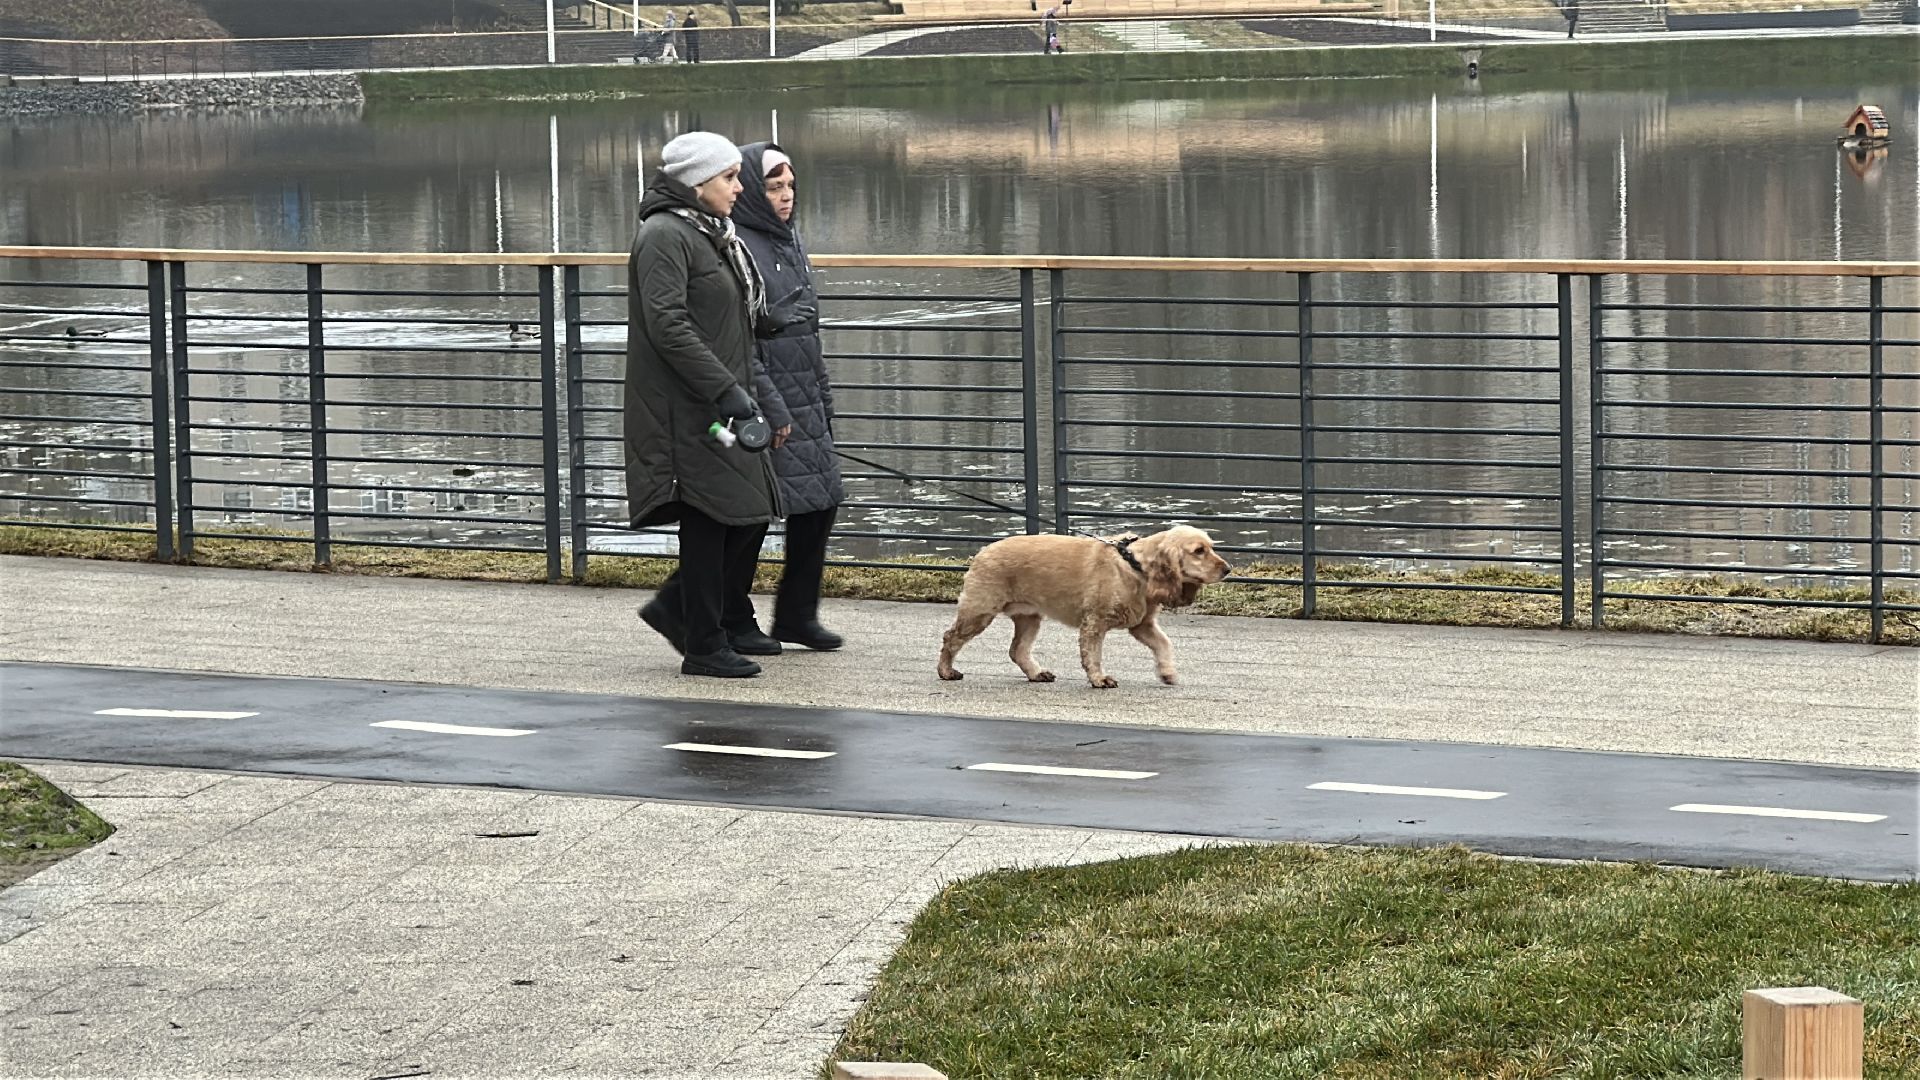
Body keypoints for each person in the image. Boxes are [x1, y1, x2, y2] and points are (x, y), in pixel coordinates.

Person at [626, 132, 806, 679]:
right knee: (711, 518)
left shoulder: (708, 233)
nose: (739, 187)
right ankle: (702, 642)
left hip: (718, 397)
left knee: (744, 510)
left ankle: (717, 620)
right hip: (691, 408)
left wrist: (761, 321)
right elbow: (668, 325)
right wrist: (726, 391)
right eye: (729, 177)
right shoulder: (665, 235)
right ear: (697, 183)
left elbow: (711, 310)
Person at [731, 142, 844, 652]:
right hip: (768, 397)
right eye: (774, 187)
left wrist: (821, 395)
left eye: (790, 186)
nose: (786, 196)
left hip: (802, 391)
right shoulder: (738, 244)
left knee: (818, 504)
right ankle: (722, 613)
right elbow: (738, 339)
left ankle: (797, 615)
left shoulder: (787, 239)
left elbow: (807, 324)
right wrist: (769, 404)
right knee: (750, 514)